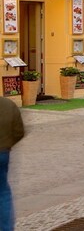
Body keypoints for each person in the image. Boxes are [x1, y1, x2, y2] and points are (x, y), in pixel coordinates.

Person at [0, 95, 24, 231]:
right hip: (2, 153)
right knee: (2, 193)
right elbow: (19, 132)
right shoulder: (8, 104)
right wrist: (7, 145)